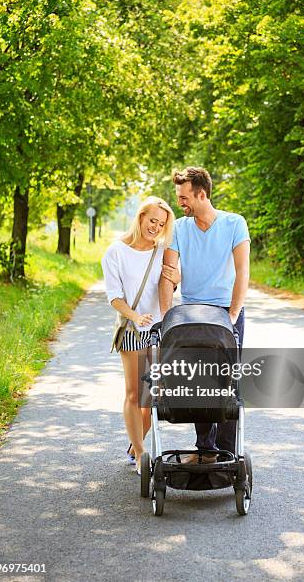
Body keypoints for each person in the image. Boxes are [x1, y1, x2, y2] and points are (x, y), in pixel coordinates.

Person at [159, 167, 250, 463]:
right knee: (198, 381)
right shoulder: (180, 228)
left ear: (201, 194)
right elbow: (167, 276)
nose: (180, 203)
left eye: (184, 198)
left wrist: (233, 315)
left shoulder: (234, 224)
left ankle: (227, 454)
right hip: (191, 314)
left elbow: (242, 273)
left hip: (225, 312)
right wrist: (166, 319)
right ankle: (206, 451)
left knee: (227, 382)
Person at [102, 196, 180, 474]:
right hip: (133, 330)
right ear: (140, 217)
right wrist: (135, 316)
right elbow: (114, 297)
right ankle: (140, 453)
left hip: (159, 330)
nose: (156, 227)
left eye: (161, 224)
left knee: (154, 396)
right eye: (152, 221)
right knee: (135, 393)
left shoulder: (162, 251)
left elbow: (173, 281)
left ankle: (136, 443)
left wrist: (177, 278)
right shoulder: (115, 252)